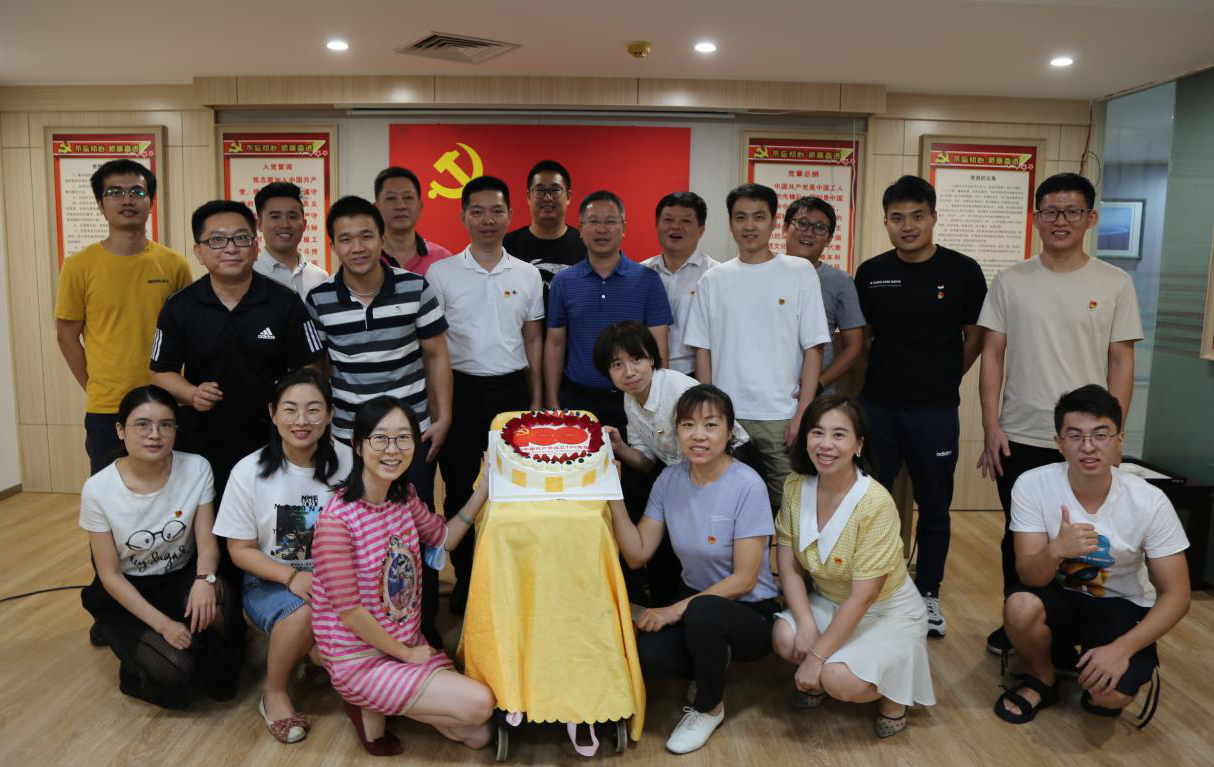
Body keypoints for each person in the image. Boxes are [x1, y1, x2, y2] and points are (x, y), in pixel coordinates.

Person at [978, 173, 1144, 658]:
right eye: (1050, 211)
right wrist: (991, 426)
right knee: (1020, 536)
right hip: (1022, 432)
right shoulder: (1011, 280)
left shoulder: (1115, 283)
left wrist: (1113, 436)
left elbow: (1121, 361)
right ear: (1036, 218)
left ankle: (1078, 627)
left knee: (1088, 536)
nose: (1060, 220)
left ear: (1090, 219)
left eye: (1072, 212)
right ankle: (1019, 623)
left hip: (1087, 439)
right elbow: (992, 355)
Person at [304, 194, 452, 647]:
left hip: (409, 438)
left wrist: (443, 416)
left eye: (366, 235)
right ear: (333, 245)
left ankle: (422, 623)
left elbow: (436, 355)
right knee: (357, 535)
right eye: (345, 239)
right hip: (349, 441)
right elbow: (318, 370)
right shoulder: (319, 300)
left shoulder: (414, 288)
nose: (357, 247)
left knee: (415, 530)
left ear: (382, 237)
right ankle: (365, 631)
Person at [993, 385, 1188, 726]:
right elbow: (1029, 576)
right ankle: (1043, 677)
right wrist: (1056, 549)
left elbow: (1177, 595)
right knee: (1020, 605)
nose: (1088, 446)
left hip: (1122, 605)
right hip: (1062, 597)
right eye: (1075, 435)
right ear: (1058, 442)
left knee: (1108, 696)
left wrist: (1121, 650)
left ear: (1119, 440)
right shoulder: (1032, 484)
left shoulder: (1150, 501)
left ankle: (1102, 664)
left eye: (1100, 435)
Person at [310, 396, 495, 756]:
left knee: (478, 735)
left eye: (403, 438)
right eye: (380, 438)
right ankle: (364, 699)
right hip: (359, 658)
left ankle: (380, 704)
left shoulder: (403, 498)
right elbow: (350, 613)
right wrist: (406, 656)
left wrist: (484, 488)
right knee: (480, 704)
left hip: (405, 642)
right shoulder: (336, 521)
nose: (392, 449)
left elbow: (444, 538)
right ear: (358, 445)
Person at [608, 385, 779, 755]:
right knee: (646, 656)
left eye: (710, 425)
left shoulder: (748, 484)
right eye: (688, 425)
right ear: (677, 432)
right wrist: (613, 495)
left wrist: (672, 611)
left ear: (729, 432)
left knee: (702, 612)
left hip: (751, 611)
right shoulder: (669, 480)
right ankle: (711, 660)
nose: (698, 435)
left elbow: (744, 579)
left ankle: (709, 707)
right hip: (696, 605)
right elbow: (637, 554)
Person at [852, 175, 987, 637]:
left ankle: (928, 591)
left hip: (935, 411)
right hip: (878, 407)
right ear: (885, 221)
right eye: (897, 218)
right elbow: (863, 340)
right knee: (870, 502)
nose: (907, 226)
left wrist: (946, 377)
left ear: (933, 217)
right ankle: (872, 590)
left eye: (917, 216)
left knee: (934, 505)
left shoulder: (963, 270)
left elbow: (975, 337)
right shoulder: (871, 272)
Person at [772, 396, 935, 739]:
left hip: (884, 611)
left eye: (839, 435)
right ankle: (824, 669)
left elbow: (864, 596)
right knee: (785, 637)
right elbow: (787, 565)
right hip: (830, 600)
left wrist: (815, 657)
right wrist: (806, 625)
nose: (825, 444)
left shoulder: (875, 502)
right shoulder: (795, 486)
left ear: (859, 444)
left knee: (837, 678)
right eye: (817, 432)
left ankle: (894, 697)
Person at [150, 200, 325, 503]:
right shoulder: (179, 307)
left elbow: (310, 369)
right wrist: (192, 393)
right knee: (209, 523)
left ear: (255, 248)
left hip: (274, 442)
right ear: (199, 252)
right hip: (201, 446)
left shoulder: (285, 303)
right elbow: (160, 372)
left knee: (274, 520)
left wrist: (290, 406)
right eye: (217, 240)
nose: (231, 248)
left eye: (241, 238)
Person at [79, 385, 242, 709]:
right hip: (129, 591)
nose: (155, 434)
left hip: (178, 577)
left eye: (165, 425)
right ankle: (135, 663)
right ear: (120, 430)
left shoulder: (197, 467)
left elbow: (207, 542)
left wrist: (204, 579)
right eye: (142, 425)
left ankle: (201, 644)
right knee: (175, 672)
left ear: (176, 429)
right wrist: (163, 625)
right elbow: (110, 576)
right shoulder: (98, 489)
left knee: (219, 598)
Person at [212, 368, 352, 743]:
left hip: (340, 582)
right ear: (273, 414)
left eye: (313, 409)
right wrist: (292, 577)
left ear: (330, 413)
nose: (301, 420)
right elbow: (239, 550)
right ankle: (274, 692)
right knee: (304, 612)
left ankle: (311, 655)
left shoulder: (351, 462)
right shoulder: (249, 471)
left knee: (342, 653)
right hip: (271, 581)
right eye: (290, 409)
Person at [426, 175, 543, 613]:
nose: (487, 220)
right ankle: (467, 580)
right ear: (463, 217)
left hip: (512, 390)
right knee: (459, 489)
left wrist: (536, 400)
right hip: (460, 391)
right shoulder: (441, 273)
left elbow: (533, 340)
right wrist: (440, 410)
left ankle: (507, 581)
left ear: (510, 215)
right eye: (477, 211)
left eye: (496, 211)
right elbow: (433, 348)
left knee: (513, 489)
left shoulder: (528, 274)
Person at [684, 183, 830, 512]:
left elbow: (814, 348)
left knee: (792, 507)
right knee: (724, 504)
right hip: (727, 415)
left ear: (774, 222)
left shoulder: (799, 272)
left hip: (781, 416)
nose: (749, 226)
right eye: (741, 217)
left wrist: (803, 413)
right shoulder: (713, 279)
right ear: (730, 222)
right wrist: (709, 414)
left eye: (758, 217)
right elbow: (702, 351)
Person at [55, 159, 192, 476]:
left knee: (175, 490)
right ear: (100, 204)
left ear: (150, 202)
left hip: (168, 400)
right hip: (109, 406)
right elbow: (66, 336)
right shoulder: (78, 266)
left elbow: (189, 333)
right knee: (112, 491)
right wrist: (94, 386)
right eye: (115, 192)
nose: (127, 200)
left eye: (137, 192)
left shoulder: (174, 264)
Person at [543, 190, 672, 431]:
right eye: (593, 222)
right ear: (581, 229)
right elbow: (555, 344)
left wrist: (657, 401)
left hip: (635, 401)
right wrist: (552, 400)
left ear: (623, 228)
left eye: (610, 221)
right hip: (578, 400)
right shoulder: (563, 281)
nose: (601, 229)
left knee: (635, 457)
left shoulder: (648, 280)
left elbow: (660, 347)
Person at [782, 196, 866, 394]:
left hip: (819, 396)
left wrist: (818, 384)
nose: (809, 232)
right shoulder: (765, 272)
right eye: (802, 223)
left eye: (819, 227)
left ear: (828, 239)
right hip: (768, 389)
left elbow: (854, 346)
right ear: (785, 228)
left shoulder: (840, 281)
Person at [641, 192, 718, 375]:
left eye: (686, 221)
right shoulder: (641, 273)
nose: (675, 227)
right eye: (668, 220)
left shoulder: (715, 275)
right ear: (657, 224)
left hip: (698, 373)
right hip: (648, 374)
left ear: (701, 229)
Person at [502, 160, 586, 292]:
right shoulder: (505, 247)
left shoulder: (587, 245)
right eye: (540, 190)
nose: (547, 198)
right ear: (528, 196)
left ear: (568, 196)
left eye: (555, 190)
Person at [253, 181, 329, 297]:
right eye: (275, 217)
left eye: (292, 217)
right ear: (259, 224)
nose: (285, 224)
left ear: (304, 224)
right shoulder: (248, 274)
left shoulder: (320, 277)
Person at [373, 167, 453, 274]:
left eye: (408, 198)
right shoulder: (367, 258)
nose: (401, 206)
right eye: (391, 198)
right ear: (376, 209)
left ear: (420, 207)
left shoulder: (443, 259)